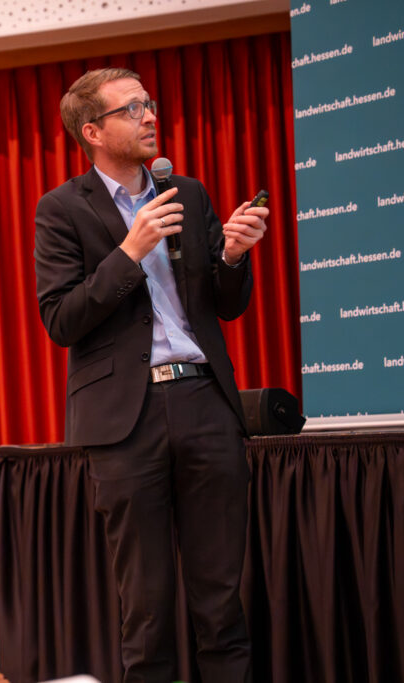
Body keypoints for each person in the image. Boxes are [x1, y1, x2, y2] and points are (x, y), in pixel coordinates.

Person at [33, 67, 269, 682]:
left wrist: (234, 257)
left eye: (149, 103)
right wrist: (129, 253)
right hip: (124, 421)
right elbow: (61, 319)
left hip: (205, 403)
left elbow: (226, 303)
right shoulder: (61, 210)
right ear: (92, 130)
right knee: (146, 604)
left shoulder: (186, 193)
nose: (149, 116)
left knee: (220, 597)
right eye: (131, 108)